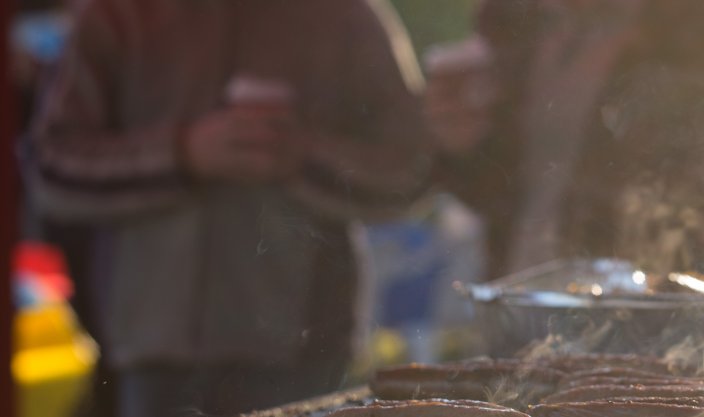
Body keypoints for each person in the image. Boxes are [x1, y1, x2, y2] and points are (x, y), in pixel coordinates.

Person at [22, 0, 431, 414]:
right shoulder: (118, 13)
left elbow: (416, 166)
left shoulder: (340, 13)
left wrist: (302, 155)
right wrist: (183, 154)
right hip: (152, 347)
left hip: (305, 345)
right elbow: (51, 166)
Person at [441, 0, 704, 278]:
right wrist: (460, 147)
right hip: (522, 294)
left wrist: (697, 200)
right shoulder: (514, 15)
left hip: (661, 310)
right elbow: (503, 187)